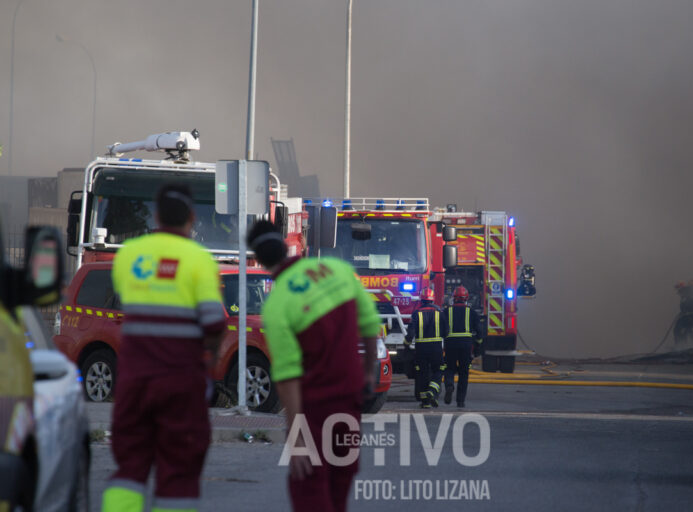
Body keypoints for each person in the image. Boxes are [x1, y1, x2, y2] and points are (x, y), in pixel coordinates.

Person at [102, 184, 226, 512]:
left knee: (130, 469)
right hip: (180, 384)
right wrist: (210, 357)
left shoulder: (128, 254)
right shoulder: (198, 260)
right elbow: (214, 324)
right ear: (191, 217)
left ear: (156, 215)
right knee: (179, 475)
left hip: (134, 383)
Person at [248, 220, 379, 512]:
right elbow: (370, 323)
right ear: (286, 246)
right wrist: (369, 371)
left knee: (309, 488)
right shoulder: (338, 271)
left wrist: (297, 442)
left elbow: (288, 377)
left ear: (259, 260)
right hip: (350, 404)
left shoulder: (278, 304)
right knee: (340, 482)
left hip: (315, 411)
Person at [405, 287, 449, 408]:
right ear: (432, 299)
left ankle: (425, 402)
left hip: (421, 349)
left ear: (421, 300)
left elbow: (410, 334)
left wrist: (406, 344)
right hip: (436, 348)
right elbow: (446, 332)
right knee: (439, 370)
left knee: (422, 374)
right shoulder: (440, 313)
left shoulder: (416, 314)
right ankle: (432, 391)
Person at [443, 286, 481, 408]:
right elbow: (479, 332)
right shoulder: (472, 312)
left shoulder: (446, 311)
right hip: (466, 345)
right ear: (466, 298)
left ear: (453, 298)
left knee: (449, 368)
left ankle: (449, 385)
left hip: (450, 344)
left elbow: (440, 328)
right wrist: (478, 345)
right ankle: (460, 401)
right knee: (464, 373)